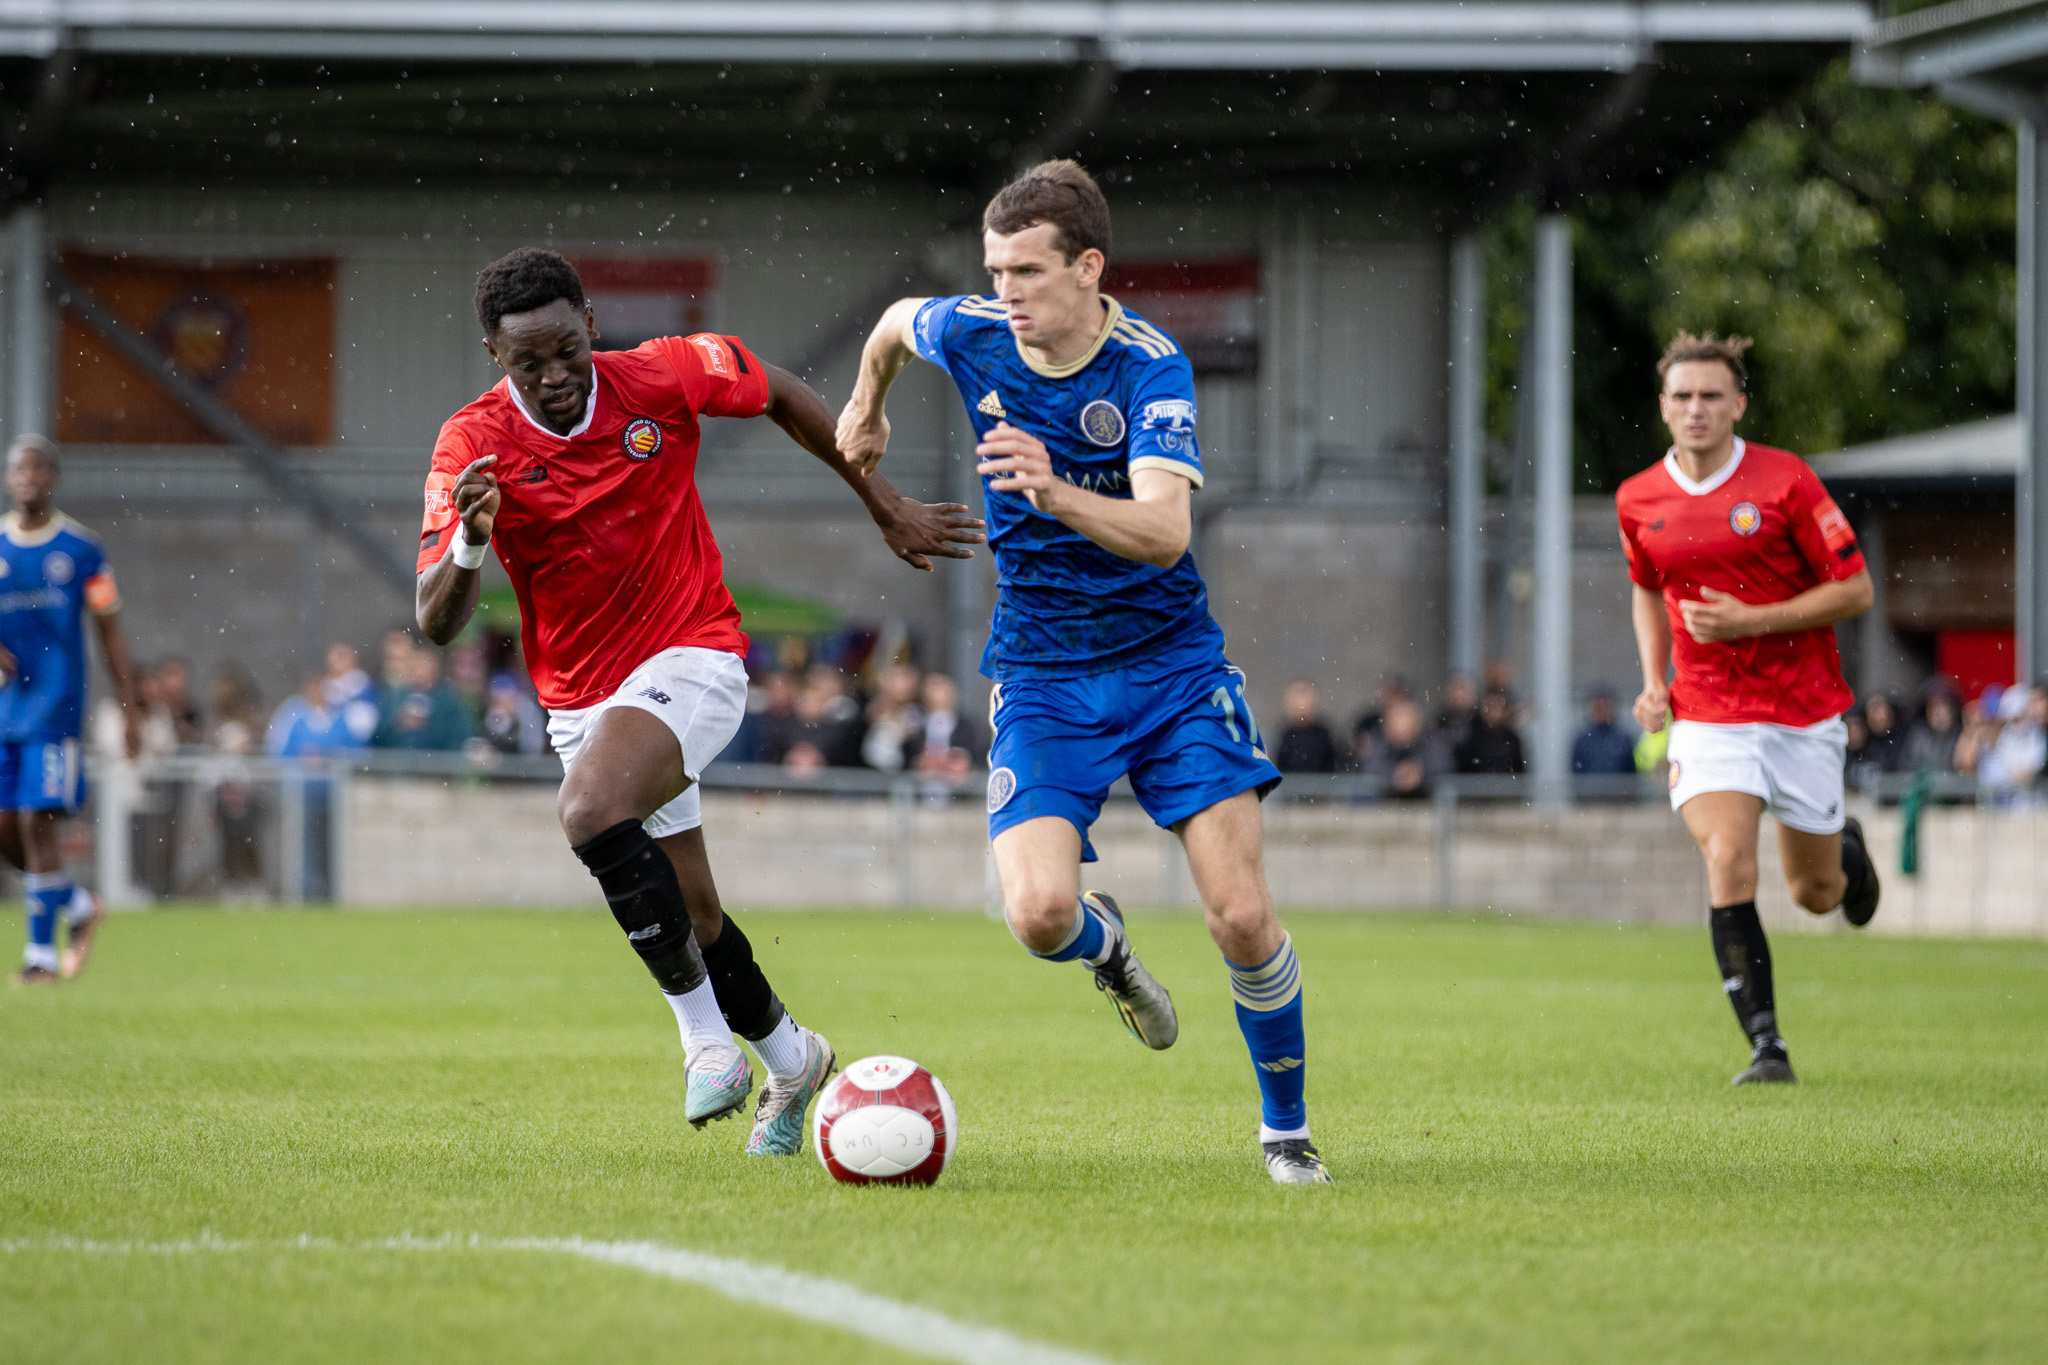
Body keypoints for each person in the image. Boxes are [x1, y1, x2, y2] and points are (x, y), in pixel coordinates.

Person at [416, 247, 983, 1155]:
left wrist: (878, 500)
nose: (556, 375)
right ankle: (794, 1057)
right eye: (530, 362)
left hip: (696, 653)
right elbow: (435, 620)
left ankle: (705, 1045)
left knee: (590, 809)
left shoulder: (663, 374)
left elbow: (783, 391)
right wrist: (473, 543)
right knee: (697, 916)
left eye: (568, 349)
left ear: (592, 326)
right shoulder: (470, 446)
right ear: (496, 357)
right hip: (584, 702)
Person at [836, 159, 1328, 1184]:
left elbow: (1161, 530)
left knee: (1238, 915)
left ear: (1087, 268)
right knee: (1036, 916)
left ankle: (1285, 1133)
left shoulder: (1149, 368)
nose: (1002, 292)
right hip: (1043, 673)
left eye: (1023, 271)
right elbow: (890, 321)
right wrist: (867, 407)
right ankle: (1107, 956)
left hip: (1169, 670)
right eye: (993, 270)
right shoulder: (972, 331)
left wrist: (1052, 490)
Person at [1619, 331, 1880, 1087]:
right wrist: (1653, 677)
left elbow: (1856, 591)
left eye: (1710, 395)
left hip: (1801, 710)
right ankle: (1768, 1046)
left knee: (1815, 892)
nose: (1696, 408)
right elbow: (1646, 585)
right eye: (1682, 396)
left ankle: (1846, 857)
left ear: (1738, 404)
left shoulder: (1786, 481)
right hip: (1708, 712)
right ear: (1664, 408)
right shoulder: (1638, 497)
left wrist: (1751, 620)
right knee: (1729, 858)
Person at [0, 435, 141, 984]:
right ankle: (79, 904)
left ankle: (40, 957)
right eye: (19, 469)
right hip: (7, 708)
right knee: (7, 827)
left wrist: (129, 707)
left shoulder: (82, 549)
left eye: (37, 468)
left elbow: (110, 630)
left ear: (52, 478)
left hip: (56, 705)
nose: (28, 477)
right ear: (9, 478)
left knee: (38, 821)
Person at [372, 641, 473, 751]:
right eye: (416, 663)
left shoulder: (448, 700)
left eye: (424, 663)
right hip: (399, 764)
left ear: (435, 666)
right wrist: (398, 724)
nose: (419, 669)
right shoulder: (396, 697)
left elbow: (458, 738)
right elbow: (378, 738)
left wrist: (430, 726)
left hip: (436, 765)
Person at [1366, 697, 1439, 798]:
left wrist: (1420, 774)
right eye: (1396, 723)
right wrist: (1394, 776)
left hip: (1426, 805)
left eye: (1406, 722)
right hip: (1387, 806)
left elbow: (1444, 767)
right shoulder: (1380, 749)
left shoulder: (1430, 745)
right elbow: (1369, 771)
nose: (1401, 729)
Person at [1274, 680, 1342, 774]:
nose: (1301, 702)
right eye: (1296, 695)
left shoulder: (1325, 735)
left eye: (1305, 695)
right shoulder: (1281, 735)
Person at [1453, 689, 1526, 775]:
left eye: (1496, 707)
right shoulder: (1472, 737)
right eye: (1490, 707)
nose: (1493, 712)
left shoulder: (1512, 739)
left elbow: (1519, 770)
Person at [1570, 686, 1637, 776]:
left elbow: (1630, 772)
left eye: (1605, 707)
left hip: (1618, 790)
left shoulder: (1623, 739)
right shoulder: (1582, 740)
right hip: (1590, 789)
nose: (1601, 711)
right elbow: (1576, 773)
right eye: (1598, 707)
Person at [1900, 685, 1962, 774]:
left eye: (1944, 707)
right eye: (1934, 707)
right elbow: (1906, 767)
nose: (1939, 713)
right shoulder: (1918, 736)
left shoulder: (1960, 736)